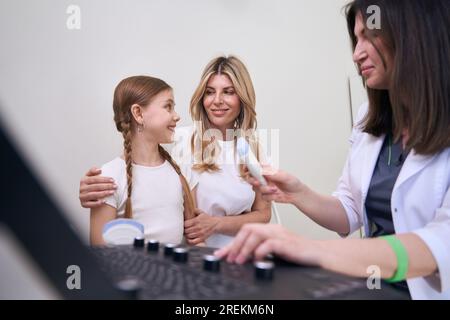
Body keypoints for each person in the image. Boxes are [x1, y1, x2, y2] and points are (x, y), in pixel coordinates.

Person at [215, 0, 450, 300]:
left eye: (370, 35)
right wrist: (297, 193)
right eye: (356, 38)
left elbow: (441, 243)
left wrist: (310, 248)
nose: (356, 53)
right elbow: (349, 211)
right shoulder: (369, 118)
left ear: (415, 34)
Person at [80, 56, 271, 248]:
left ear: (242, 97)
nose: (217, 101)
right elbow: (141, 163)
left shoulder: (253, 147)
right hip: (191, 258)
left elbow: (264, 213)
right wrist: (91, 189)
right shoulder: (179, 138)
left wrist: (217, 224)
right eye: (209, 92)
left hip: (240, 251)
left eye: (229, 92)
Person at [90, 75, 196, 246]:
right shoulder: (109, 177)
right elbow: (99, 251)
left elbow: (196, 242)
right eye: (168, 107)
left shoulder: (179, 173)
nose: (177, 116)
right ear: (138, 113)